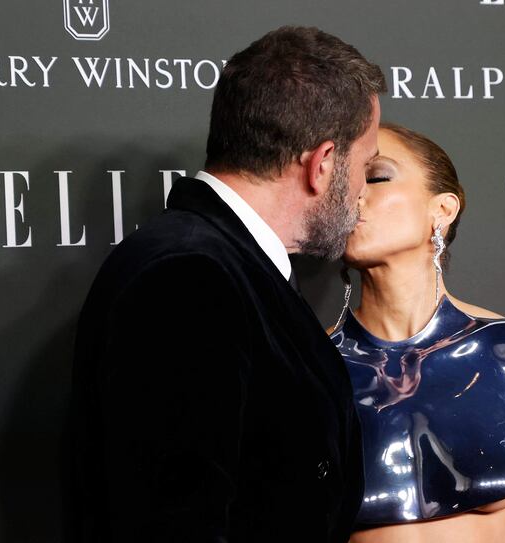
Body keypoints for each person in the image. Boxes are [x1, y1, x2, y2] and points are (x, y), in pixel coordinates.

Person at [68, 26, 386, 542]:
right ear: (323, 164)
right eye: (365, 167)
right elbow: (174, 522)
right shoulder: (189, 279)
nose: (362, 193)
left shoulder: (235, 265)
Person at [329, 124, 505, 542]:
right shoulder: (309, 367)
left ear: (443, 209)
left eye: (376, 176)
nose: (353, 193)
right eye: (340, 181)